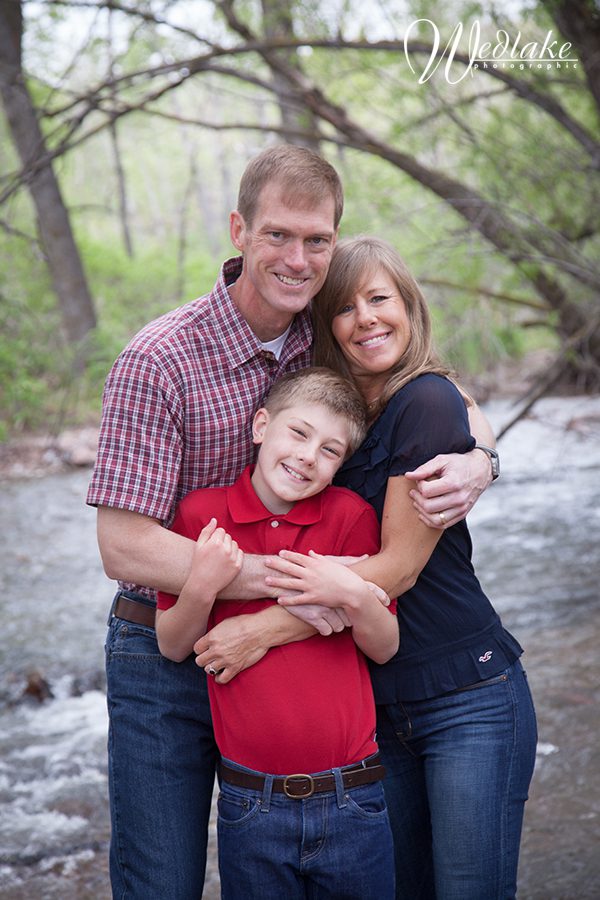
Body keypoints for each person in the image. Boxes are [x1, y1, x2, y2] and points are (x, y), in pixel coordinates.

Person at [87, 144, 495, 899]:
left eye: (317, 240)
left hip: (298, 655)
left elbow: (434, 391)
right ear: (239, 230)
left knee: (296, 846)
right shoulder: (160, 360)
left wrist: (484, 457)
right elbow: (123, 545)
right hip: (165, 647)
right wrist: (287, 585)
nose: (298, 259)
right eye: (278, 234)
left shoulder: (327, 335)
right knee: (162, 879)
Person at [263, 236, 538, 900]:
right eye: (345, 307)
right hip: (378, 710)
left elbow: (400, 570)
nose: (366, 319)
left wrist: (260, 631)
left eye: (379, 299)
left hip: (466, 697)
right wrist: (486, 454)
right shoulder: (339, 421)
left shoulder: (426, 400)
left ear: (409, 307)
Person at [155, 368, 399, 899]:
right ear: (261, 426)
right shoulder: (201, 515)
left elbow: (384, 647)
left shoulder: (350, 517)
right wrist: (203, 583)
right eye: (299, 433)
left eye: (330, 450)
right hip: (250, 803)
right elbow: (172, 644)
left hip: (353, 793)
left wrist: (353, 593)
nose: (309, 456)